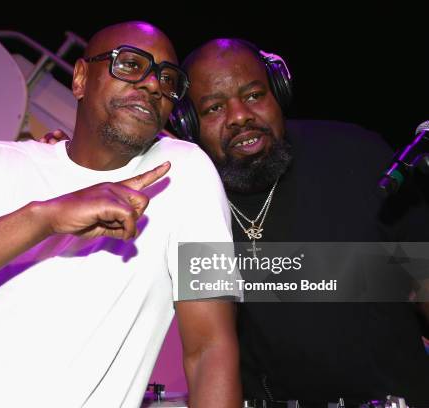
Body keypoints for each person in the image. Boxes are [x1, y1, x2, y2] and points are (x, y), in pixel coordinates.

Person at [0, 23, 242, 407]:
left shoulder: (186, 173)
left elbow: (210, 348)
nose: (151, 85)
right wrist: (43, 218)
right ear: (80, 78)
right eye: (130, 64)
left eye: (167, 79)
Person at [173, 38, 429, 406]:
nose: (240, 115)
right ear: (188, 124)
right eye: (214, 107)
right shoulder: (186, 204)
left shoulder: (356, 153)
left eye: (254, 95)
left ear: (278, 92)